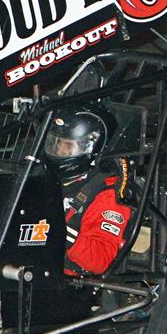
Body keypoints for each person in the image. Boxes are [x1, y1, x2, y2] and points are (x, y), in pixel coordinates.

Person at [42, 108, 133, 276]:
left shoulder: (106, 194)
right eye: (56, 144)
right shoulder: (41, 176)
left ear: (91, 147)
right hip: (30, 269)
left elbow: (100, 260)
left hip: (70, 283)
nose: (59, 152)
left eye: (67, 147)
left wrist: (60, 231)